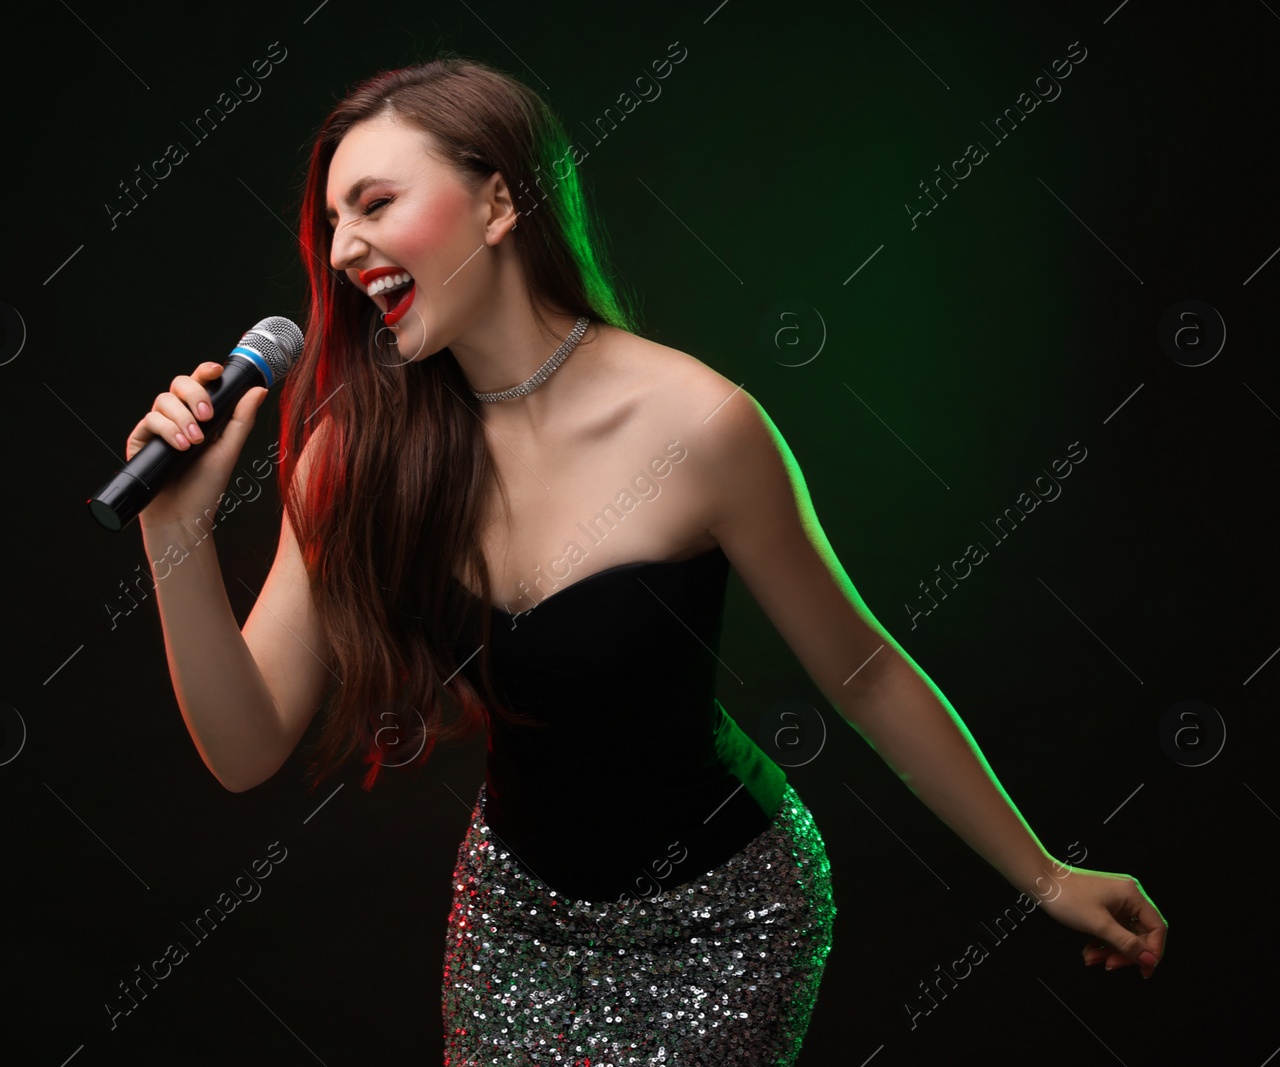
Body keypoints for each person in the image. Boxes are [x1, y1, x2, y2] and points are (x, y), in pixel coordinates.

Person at [127, 55, 1167, 1065]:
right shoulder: (356, 451)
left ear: (498, 205)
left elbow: (865, 669)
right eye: (335, 221)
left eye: (375, 202)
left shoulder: (697, 424)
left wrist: (1041, 872)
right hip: (516, 925)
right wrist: (173, 533)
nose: (347, 248)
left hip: (726, 916)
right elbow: (244, 745)